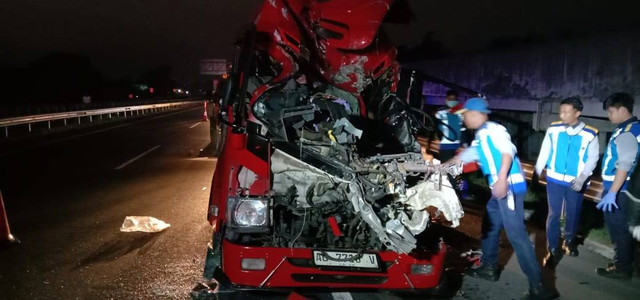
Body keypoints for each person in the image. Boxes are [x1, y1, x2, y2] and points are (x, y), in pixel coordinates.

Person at [448, 98, 557, 300]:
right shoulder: (481, 136)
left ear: (476, 114)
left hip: (508, 187)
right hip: (500, 190)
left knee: (517, 237)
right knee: (489, 227)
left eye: (465, 115)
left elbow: (508, 151)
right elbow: (466, 156)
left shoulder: (493, 129)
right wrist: (439, 167)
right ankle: (489, 268)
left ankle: (539, 288)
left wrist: (501, 180)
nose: (464, 120)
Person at [534, 97, 599, 268]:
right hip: (554, 179)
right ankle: (553, 247)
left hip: (576, 182)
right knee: (553, 213)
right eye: (560, 111)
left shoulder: (590, 133)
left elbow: (593, 158)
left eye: (566, 112)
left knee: (573, 212)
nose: (562, 115)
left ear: (577, 113)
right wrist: (537, 172)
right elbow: (545, 151)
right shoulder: (554, 129)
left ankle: (569, 240)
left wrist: (583, 177)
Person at [596, 92, 639, 280]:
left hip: (620, 190)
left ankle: (622, 268)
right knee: (620, 228)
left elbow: (625, 163)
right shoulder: (630, 128)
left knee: (619, 229)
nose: (609, 115)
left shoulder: (628, 131)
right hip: (620, 188)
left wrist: (612, 192)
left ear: (622, 109)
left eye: (611, 111)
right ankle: (624, 261)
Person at [435, 90, 466, 161]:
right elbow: (435, 127)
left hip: (458, 147)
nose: (452, 101)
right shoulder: (440, 113)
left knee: (458, 169)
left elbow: (463, 130)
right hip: (445, 147)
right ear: (446, 100)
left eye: (454, 99)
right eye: (450, 99)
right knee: (445, 169)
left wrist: (464, 144)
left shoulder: (460, 114)